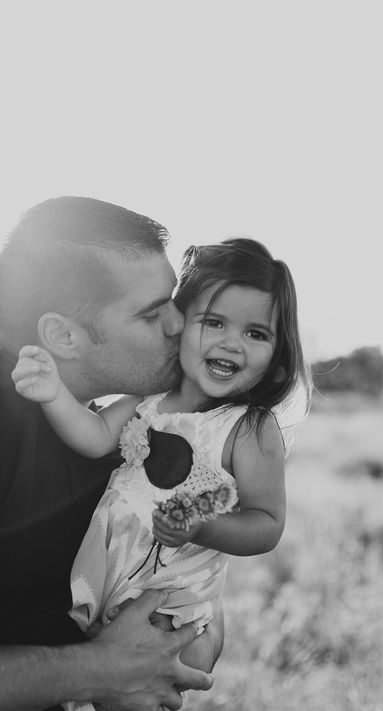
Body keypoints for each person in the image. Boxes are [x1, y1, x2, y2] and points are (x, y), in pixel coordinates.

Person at [12, 237, 312, 711]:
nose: (232, 342)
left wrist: (203, 524)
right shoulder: (146, 401)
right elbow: (92, 436)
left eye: (257, 334)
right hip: (99, 583)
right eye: (214, 322)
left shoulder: (247, 428)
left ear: (277, 352)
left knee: (133, 693)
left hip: (174, 604)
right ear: (184, 322)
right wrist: (53, 394)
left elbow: (267, 523)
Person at [0, 196, 219, 711]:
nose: (180, 325)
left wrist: (180, 636)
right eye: (150, 313)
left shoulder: (132, 422)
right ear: (63, 335)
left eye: (175, 302)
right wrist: (99, 672)